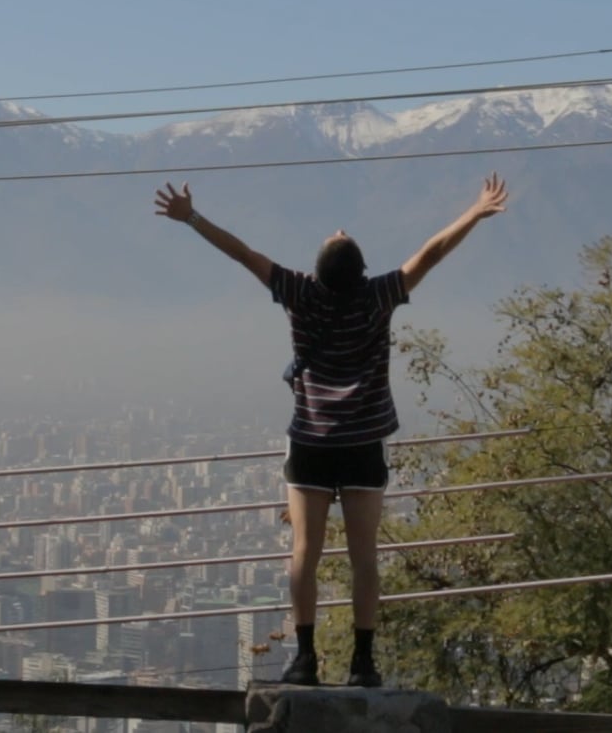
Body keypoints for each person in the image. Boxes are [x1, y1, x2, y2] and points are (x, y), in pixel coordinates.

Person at [154, 172, 508, 687]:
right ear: (361, 271)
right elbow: (430, 254)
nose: (339, 230)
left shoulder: (299, 293)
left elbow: (243, 253)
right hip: (363, 443)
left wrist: (192, 218)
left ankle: (305, 658)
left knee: (305, 552)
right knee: (364, 558)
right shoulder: (379, 295)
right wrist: (474, 212)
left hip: (311, 442)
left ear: (318, 269)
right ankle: (363, 663)